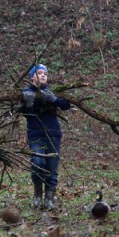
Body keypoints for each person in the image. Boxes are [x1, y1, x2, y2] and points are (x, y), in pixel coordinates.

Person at [21, 64, 71, 210]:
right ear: (32, 77)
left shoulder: (50, 92)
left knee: (52, 167)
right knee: (37, 162)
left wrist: (53, 100)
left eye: (45, 74)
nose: (43, 75)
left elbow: (66, 104)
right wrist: (29, 103)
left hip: (53, 134)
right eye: (39, 73)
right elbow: (23, 111)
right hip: (36, 134)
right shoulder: (26, 92)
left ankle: (49, 198)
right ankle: (37, 193)